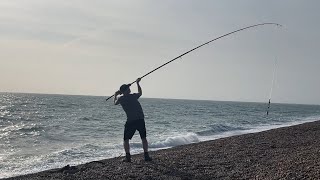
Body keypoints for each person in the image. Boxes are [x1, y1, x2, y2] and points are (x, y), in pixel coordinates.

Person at [114, 78, 152, 162]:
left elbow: (115, 103)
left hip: (131, 121)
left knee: (126, 139)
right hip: (140, 119)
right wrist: (138, 83)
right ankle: (146, 155)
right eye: (128, 88)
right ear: (126, 90)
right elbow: (140, 93)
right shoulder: (133, 96)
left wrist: (116, 94)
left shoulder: (121, 99)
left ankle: (128, 157)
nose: (130, 89)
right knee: (143, 138)